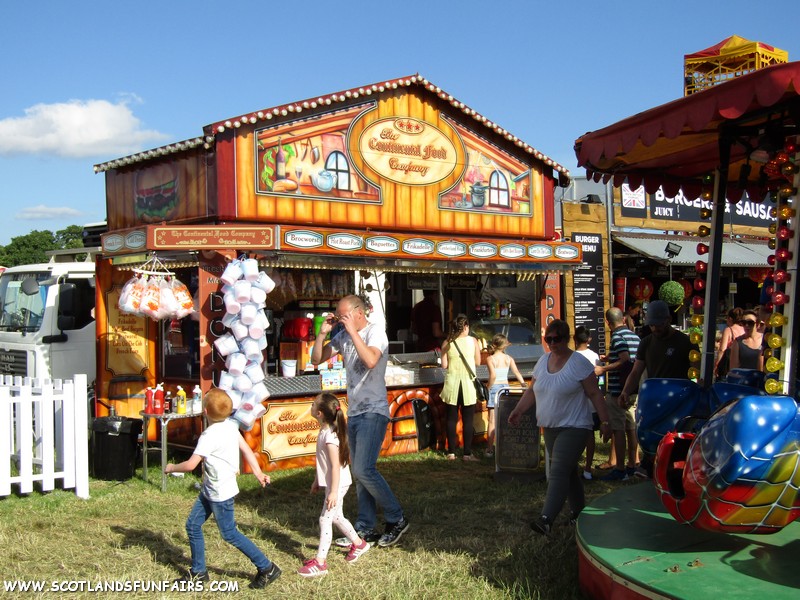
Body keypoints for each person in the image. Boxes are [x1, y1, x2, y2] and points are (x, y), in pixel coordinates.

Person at [311, 294, 409, 548]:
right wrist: (323, 334)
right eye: (339, 316)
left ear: (358, 313)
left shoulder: (376, 332)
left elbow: (371, 360)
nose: (341, 320)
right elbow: (315, 359)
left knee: (364, 469)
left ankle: (396, 517)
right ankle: (365, 527)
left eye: (344, 315)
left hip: (373, 410)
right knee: (359, 472)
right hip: (353, 411)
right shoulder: (343, 335)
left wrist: (352, 331)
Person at [165, 388, 281, 589]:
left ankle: (267, 567)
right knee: (192, 526)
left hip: (220, 493)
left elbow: (191, 465)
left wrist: (171, 467)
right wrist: (258, 472)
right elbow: (247, 450)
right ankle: (199, 573)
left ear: (206, 412)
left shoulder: (208, 436)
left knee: (229, 533)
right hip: (210, 490)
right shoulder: (230, 426)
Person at [508, 319, 611, 535]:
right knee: (569, 471)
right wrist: (518, 410)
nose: (553, 343)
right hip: (551, 427)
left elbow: (595, 393)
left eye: (558, 339)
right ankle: (579, 514)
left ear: (567, 339)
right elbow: (531, 391)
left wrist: (605, 421)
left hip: (576, 427)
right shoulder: (542, 361)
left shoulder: (579, 363)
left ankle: (546, 520)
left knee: (558, 470)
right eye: (549, 339)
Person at [618, 300, 697, 479]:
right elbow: (636, 371)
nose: (655, 329)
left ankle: (672, 469)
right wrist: (625, 391)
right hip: (654, 397)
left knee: (675, 436)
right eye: (651, 325)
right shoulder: (646, 343)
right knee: (650, 431)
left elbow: (696, 368)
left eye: (658, 324)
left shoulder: (684, 342)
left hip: (679, 399)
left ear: (668, 319)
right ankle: (649, 464)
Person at [298, 393, 370, 578]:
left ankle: (320, 562)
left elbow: (335, 467)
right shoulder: (324, 431)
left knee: (325, 519)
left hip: (338, 485)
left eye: (313, 404)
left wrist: (333, 493)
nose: (311, 406)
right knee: (337, 517)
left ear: (320, 413)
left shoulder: (330, 438)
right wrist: (317, 480)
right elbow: (321, 463)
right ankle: (359, 544)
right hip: (334, 484)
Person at [597, 308, 641, 482]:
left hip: (618, 391)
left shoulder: (616, 337)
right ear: (623, 319)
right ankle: (632, 465)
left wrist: (603, 368)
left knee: (618, 430)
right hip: (633, 390)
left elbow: (624, 359)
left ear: (608, 323)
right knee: (632, 428)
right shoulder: (634, 336)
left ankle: (620, 468)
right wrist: (610, 357)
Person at [440, 314, 483, 462]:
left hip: (451, 384)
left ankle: (451, 452)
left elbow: (444, 365)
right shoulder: (473, 341)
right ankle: (467, 453)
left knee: (451, 420)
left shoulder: (447, 343)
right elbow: (478, 362)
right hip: (468, 384)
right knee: (468, 420)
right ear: (465, 327)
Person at [485, 333, 526, 458]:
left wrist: (488, 387)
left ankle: (489, 449)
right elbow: (516, 372)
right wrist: (523, 384)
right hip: (505, 388)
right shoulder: (509, 358)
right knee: (504, 417)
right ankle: (505, 445)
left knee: (492, 420)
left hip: (495, 388)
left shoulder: (490, 359)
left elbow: (493, 376)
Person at [573, 326, 601, 480]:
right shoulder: (594, 355)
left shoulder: (571, 357)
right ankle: (588, 468)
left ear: (574, 339)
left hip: (576, 401)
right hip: (591, 400)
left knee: (575, 435)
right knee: (589, 434)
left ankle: (574, 466)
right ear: (589, 339)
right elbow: (599, 377)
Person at [714, 307, 744, 380]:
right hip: (742, 362)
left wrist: (717, 364)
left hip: (730, 363)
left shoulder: (729, 330)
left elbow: (722, 349)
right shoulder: (744, 329)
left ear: (730, 319)